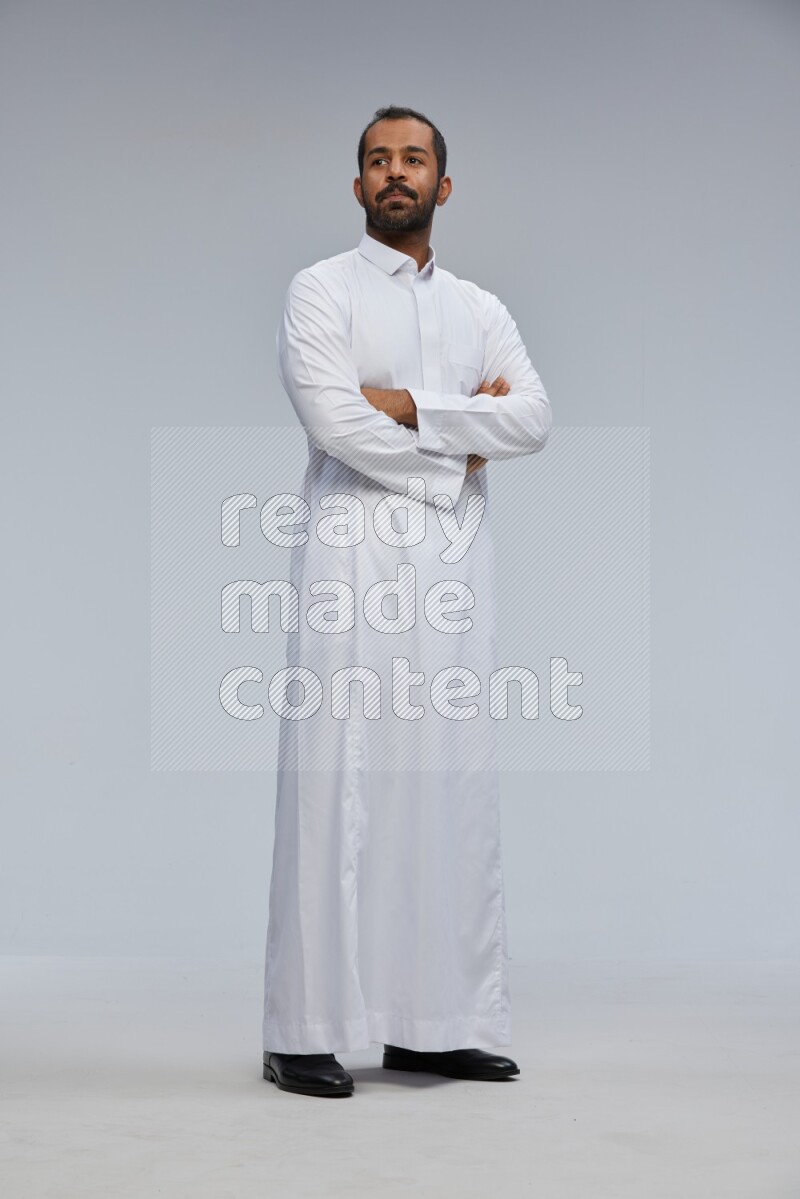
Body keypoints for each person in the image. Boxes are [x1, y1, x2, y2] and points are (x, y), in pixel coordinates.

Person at [262, 105, 552, 1097]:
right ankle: (301, 1027)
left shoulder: (477, 306)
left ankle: (433, 1023)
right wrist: (455, 446)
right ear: (356, 187)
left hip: (453, 571)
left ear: (442, 184)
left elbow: (534, 416)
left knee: (444, 786)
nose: (395, 173)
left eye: (413, 159)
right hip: (351, 559)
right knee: (333, 781)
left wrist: (412, 404)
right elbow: (333, 419)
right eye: (377, 160)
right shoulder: (321, 290)